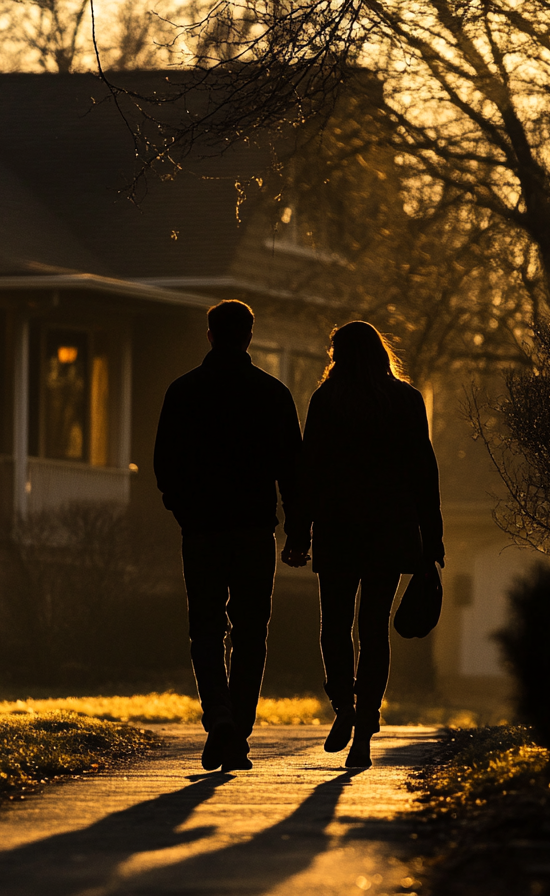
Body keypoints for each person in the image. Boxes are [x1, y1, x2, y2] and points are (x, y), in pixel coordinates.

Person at [154, 300, 305, 771]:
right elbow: (293, 472)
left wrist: (182, 509)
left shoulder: (184, 392)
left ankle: (218, 713)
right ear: (249, 337)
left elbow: (165, 464)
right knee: (251, 631)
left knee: (205, 627)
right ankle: (237, 730)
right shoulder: (273, 394)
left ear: (210, 335)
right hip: (254, 528)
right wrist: (299, 532)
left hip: (202, 528)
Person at [284, 321, 444, 768]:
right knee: (373, 627)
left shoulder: (327, 400)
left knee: (334, 624)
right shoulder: (407, 401)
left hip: (337, 527)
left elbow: (308, 470)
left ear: (339, 355)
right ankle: (366, 722)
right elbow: (423, 473)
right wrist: (432, 539)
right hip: (390, 529)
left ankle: (344, 707)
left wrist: (298, 533)